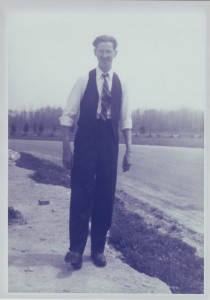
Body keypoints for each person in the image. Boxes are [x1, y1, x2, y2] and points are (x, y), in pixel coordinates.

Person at [59, 35, 132, 269]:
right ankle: (76, 250)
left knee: (105, 195)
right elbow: (67, 115)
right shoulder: (84, 80)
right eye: (101, 51)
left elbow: (125, 120)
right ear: (95, 53)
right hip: (86, 140)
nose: (105, 55)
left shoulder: (122, 84)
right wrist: (66, 149)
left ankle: (98, 249)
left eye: (109, 51)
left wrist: (129, 150)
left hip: (110, 142)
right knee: (81, 193)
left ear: (115, 54)